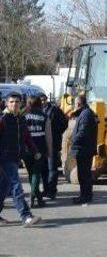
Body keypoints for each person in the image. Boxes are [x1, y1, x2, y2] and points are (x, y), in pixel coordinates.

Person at [0, 92, 42, 227]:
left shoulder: (20, 118)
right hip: (5, 157)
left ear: (21, 103)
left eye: (17, 101)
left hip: (15, 156)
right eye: (11, 101)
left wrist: (35, 151)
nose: (14, 104)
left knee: (4, 188)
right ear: (6, 103)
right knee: (16, 185)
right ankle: (26, 216)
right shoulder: (3, 119)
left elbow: (27, 136)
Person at [69, 94, 97, 204]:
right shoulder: (86, 113)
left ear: (79, 104)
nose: (74, 106)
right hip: (84, 148)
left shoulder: (86, 114)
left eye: (75, 104)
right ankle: (84, 195)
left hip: (84, 149)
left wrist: (73, 141)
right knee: (83, 174)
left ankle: (85, 196)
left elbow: (83, 132)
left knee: (84, 174)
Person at [23, 96, 50, 208]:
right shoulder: (44, 116)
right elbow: (48, 136)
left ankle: (37, 198)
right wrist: (49, 150)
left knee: (31, 173)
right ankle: (33, 197)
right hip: (40, 148)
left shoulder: (23, 116)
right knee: (36, 173)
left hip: (26, 149)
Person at [41, 93, 68, 199]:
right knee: (45, 169)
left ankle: (52, 191)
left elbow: (64, 123)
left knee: (52, 168)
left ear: (47, 99)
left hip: (52, 143)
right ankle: (46, 189)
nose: (43, 102)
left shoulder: (55, 110)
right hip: (43, 144)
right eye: (41, 100)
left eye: (44, 100)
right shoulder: (39, 111)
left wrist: (56, 134)